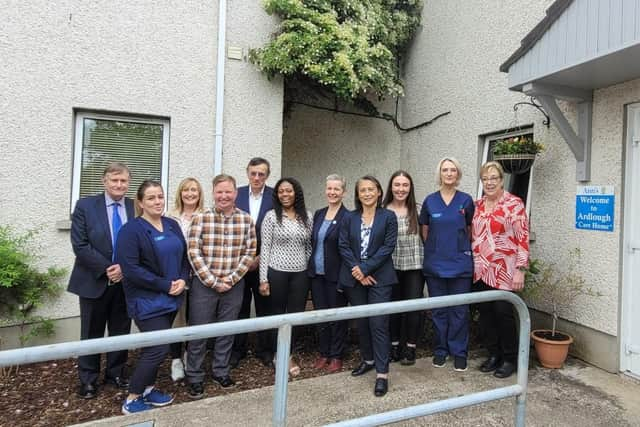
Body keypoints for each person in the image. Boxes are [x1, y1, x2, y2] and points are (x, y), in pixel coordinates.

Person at [116, 180, 189, 414]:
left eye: (160, 196)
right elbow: (131, 269)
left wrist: (183, 279)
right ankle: (132, 397)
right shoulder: (131, 230)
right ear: (140, 203)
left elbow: (183, 257)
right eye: (151, 198)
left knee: (159, 346)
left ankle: (148, 389)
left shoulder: (171, 224)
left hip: (171, 298)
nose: (157, 201)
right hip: (146, 301)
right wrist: (165, 285)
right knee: (157, 348)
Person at [186, 174, 256, 399]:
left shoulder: (246, 220)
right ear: (213, 193)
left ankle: (220, 371)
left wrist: (232, 279)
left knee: (226, 330)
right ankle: (195, 376)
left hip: (234, 286)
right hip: (204, 286)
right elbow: (193, 252)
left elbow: (249, 252)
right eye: (219, 192)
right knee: (199, 331)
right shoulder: (201, 219)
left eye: (228, 192)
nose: (224, 196)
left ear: (236, 193)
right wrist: (214, 281)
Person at [68, 161, 134, 399]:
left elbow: (139, 244)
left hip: (125, 283)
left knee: (120, 330)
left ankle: (116, 373)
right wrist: (108, 268)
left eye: (123, 180)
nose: (119, 185)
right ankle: (88, 379)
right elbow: (80, 245)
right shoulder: (86, 205)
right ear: (104, 181)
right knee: (91, 332)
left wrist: (124, 269)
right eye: (114, 180)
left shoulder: (134, 206)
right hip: (93, 280)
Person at [339, 175, 397, 397]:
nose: (367, 193)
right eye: (362, 190)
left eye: (371, 189)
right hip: (355, 279)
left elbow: (388, 246)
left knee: (378, 323)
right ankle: (368, 359)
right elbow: (343, 244)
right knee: (362, 322)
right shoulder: (350, 218)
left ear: (379, 192)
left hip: (380, 277)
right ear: (358, 194)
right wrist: (358, 270)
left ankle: (382, 374)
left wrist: (366, 268)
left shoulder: (388, 217)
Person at [472, 161, 529, 379]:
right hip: (481, 269)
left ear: (501, 180)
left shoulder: (514, 204)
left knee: (503, 314)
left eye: (494, 178)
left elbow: (523, 238)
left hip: (505, 269)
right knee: (486, 315)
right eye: (485, 179)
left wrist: (520, 269)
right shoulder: (477, 206)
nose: (489, 182)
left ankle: (509, 358)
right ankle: (493, 354)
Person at [419, 158, 475, 372]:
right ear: (440, 174)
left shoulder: (466, 200)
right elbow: (425, 230)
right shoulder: (430, 201)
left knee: (459, 311)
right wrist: (436, 247)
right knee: (439, 311)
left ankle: (459, 352)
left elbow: (470, 228)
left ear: (458, 174)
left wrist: (458, 247)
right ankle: (440, 350)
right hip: (436, 264)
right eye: (445, 170)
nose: (449, 174)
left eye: (453, 170)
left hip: (460, 263)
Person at [259, 177, 312, 377]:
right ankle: (277, 354)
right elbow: (265, 248)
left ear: (296, 192)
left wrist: (305, 267)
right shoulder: (272, 216)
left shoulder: (306, 216)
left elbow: (309, 247)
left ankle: (288, 354)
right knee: (278, 314)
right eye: (281, 191)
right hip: (277, 272)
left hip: (300, 274)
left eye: (288, 191)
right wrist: (263, 278)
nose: (285, 195)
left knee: (296, 315)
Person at [231, 157, 275, 368]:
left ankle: (265, 350)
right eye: (253, 173)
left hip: (264, 263)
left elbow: (278, 229)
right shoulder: (236, 194)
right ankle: (236, 350)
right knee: (239, 307)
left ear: (267, 175)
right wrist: (244, 259)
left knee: (264, 306)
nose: (257, 177)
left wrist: (259, 258)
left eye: (261, 174)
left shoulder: (275, 196)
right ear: (247, 172)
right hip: (238, 263)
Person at [308, 174, 350, 373]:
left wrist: (344, 278)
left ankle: (336, 355)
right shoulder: (318, 213)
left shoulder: (348, 217)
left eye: (337, 189)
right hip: (317, 275)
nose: (332, 192)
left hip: (336, 276)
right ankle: (324, 352)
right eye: (329, 189)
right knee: (321, 315)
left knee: (336, 317)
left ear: (344, 192)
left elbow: (347, 250)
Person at [382, 171, 425, 366]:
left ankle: (411, 347)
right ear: (391, 187)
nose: (401, 189)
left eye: (405, 185)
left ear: (410, 188)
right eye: (397, 185)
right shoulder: (382, 210)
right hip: (390, 267)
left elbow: (427, 237)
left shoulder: (418, 209)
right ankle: (394, 346)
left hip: (415, 266)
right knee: (394, 308)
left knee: (413, 308)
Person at [165, 177, 205, 381]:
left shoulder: (207, 216)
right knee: (177, 318)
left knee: (195, 318)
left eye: (194, 190)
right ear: (180, 193)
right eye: (186, 190)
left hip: (199, 276)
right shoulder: (169, 217)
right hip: (176, 276)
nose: (190, 194)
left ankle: (191, 355)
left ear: (200, 194)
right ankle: (175, 360)